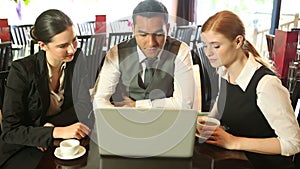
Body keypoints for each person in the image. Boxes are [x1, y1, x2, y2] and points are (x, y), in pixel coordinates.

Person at [197, 10, 300, 169]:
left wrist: (233, 141)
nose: (208, 53)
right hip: (237, 162)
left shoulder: (266, 85)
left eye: (216, 46)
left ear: (238, 42)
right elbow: (217, 113)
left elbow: (293, 144)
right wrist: (202, 122)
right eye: (205, 46)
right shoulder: (224, 72)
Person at [0, 9, 93, 168]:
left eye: (74, 40)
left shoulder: (77, 58)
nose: (72, 49)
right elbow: (10, 131)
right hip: (24, 147)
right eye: (63, 45)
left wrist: (49, 128)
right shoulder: (22, 71)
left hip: (60, 140)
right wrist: (54, 132)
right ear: (43, 45)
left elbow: (83, 106)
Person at [91, 0, 196, 109]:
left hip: (166, 119)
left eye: (159, 34)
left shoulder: (180, 50)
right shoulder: (116, 53)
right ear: (133, 29)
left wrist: (138, 105)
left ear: (168, 29)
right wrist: (118, 116)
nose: (151, 43)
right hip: (127, 117)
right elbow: (99, 99)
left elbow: (184, 104)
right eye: (143, 34)